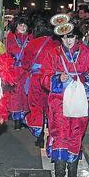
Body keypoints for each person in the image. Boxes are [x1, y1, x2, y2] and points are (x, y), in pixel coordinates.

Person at [41, 24, 89, 177]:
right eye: (64, 37)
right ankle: (60, 172)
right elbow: (43, 76)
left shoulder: (88, 53)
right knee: (60, 133)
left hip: (80, 98)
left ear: (77, 37)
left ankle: (73, 168)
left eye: (71, 36)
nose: (68, 40)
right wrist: (56, 79)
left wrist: (84, 79)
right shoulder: (52, 54)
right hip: (58, 100)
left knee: (76, 132)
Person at [22, 19, 58, 147]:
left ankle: (39, 132)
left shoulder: (33, 43)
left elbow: (25, 63)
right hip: (51, 79)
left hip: (36, 78)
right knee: (50, 106)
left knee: (36, 105)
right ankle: (52, 136)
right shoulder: (56, 43)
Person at [5, 16, 33, 129]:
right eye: (20, 24)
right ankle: (16, 119)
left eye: (24, 25)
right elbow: (7, 52)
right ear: (16, 26)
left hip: (26, 70)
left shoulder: (31, 38)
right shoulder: (10, 37)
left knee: (25, 94)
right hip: (15, 70)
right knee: (15, 94)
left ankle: (23, 117)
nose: (22, 27)